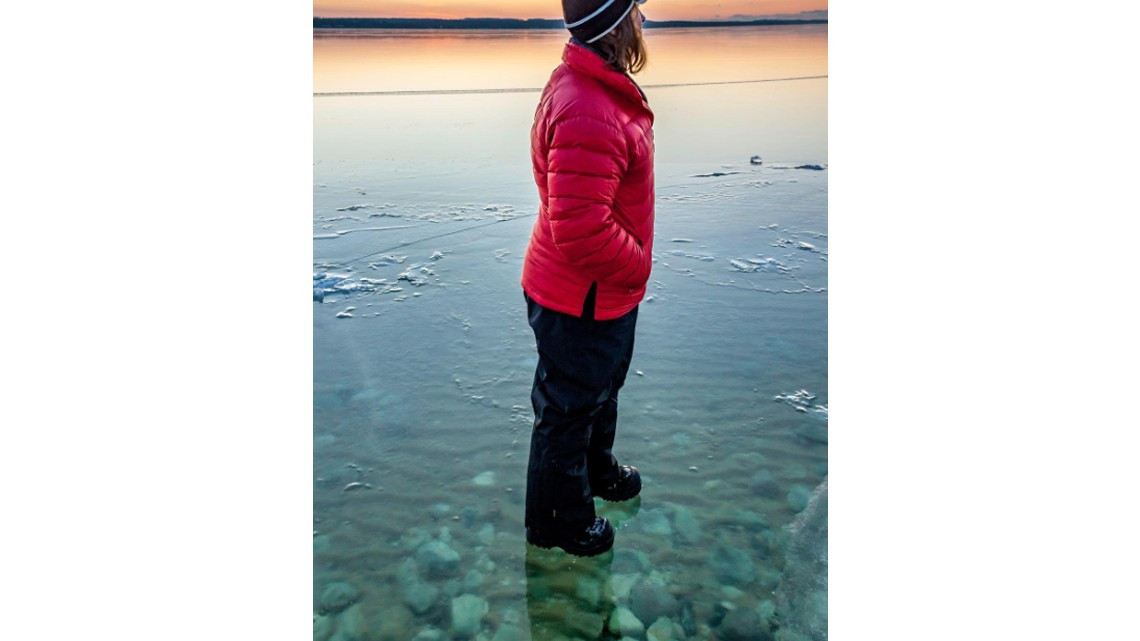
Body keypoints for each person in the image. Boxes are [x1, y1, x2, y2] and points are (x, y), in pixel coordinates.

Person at [520, 0, 655, 557]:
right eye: (638, 11)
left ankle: (596, 473)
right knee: (567, 411)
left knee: (602, 391)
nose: (644, 20)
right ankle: (558, 521)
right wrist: (638, 264)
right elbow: (580, 227)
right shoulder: (587, 106)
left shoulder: (592, 86)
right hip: (583, 295)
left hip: (601, 292)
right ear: (616, 24)